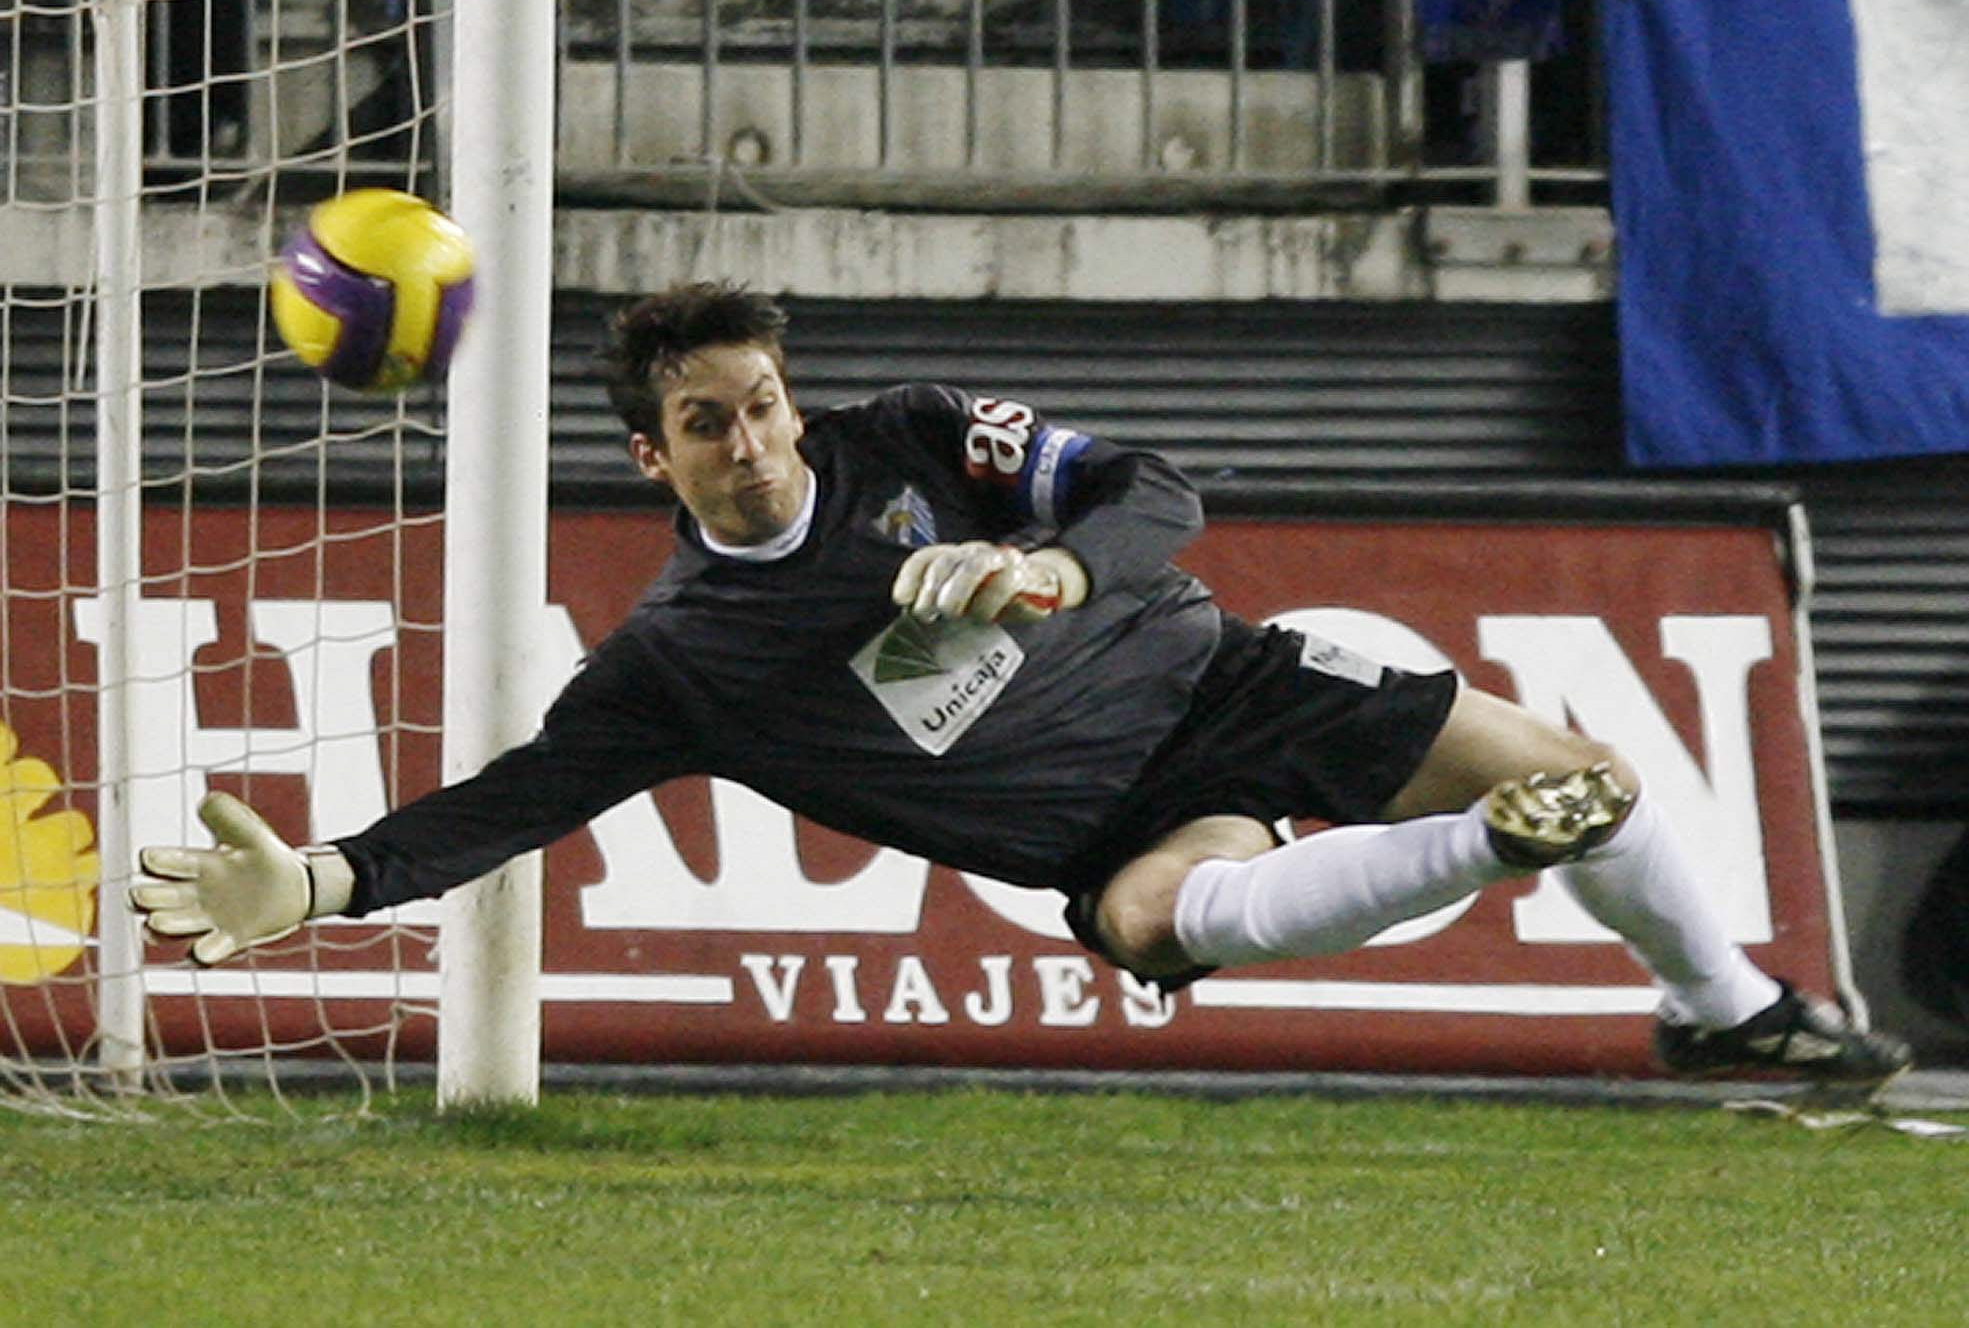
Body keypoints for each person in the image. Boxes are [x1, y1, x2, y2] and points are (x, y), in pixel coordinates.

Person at [133, 280, 1910, 1084]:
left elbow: (1154, 492)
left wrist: (1054, 564)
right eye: (703, 425)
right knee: (1155, 919)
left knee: (1583, 764)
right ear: (646, 457)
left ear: (788, 397)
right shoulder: (681, 666)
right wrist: (316, 884)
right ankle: (1492, 848)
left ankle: (1731, 1008)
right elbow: (506, 802)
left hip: (1223, 683)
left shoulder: (913, 436)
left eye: (759, 404)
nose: (748, 443)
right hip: (1116, 821)